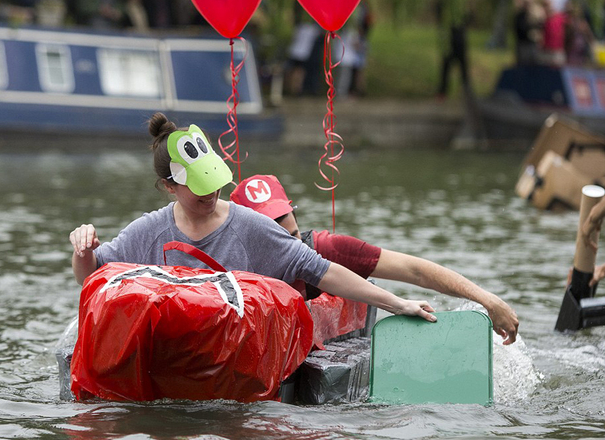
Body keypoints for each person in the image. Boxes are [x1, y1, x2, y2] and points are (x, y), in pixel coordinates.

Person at [69, 113, 437, 323]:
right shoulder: (147, 232)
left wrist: (398, 304)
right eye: (200, 188)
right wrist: (83, 250)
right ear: (169, 188)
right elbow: (92, 279)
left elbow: (323, 271)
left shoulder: (250, 226)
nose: (211, 194)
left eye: (214, 182)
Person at [230, 174, 520, 345]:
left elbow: (415, 271)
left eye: (292, 235)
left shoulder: (326, 249)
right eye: (276, 238)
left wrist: (488, 300)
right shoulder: (228, 264)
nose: (289, 246)